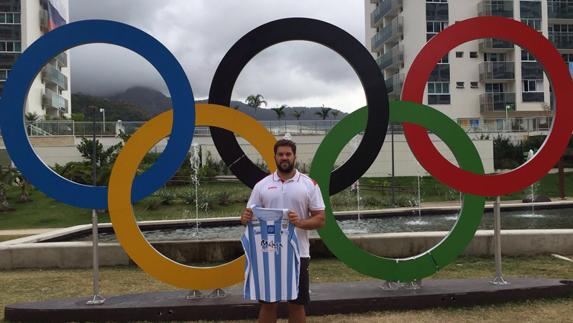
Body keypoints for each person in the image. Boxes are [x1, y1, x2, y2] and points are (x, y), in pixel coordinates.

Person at [240, 139, 326, 323]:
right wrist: (244, 219)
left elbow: (320, 218)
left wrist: (301, 223)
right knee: (268, 303)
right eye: (281, 154)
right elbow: (248, 216)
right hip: (267, 253)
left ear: (295, 156)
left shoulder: (309, 184)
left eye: (288, 154)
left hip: (298, 253)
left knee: (296, 303)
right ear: (275, 157)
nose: (284, 157)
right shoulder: (261, 185)